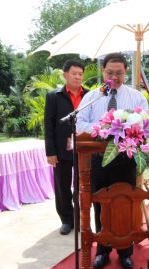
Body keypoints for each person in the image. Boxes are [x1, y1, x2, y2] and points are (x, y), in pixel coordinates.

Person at [76, 53, 149, 269]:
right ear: (103, 72)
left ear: (125, 72)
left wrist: (126, 129)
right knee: (100, 203)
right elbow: (80, 123)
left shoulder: (136, 97)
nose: (114, 77)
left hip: (126, 160)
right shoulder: (92, 97)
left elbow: (145, 123)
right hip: (98, 160)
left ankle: (125, 251)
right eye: (110, 72)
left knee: (124, 204)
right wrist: (104, 130)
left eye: (119, 73)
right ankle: (103, 250)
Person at [44, 60, 88, 235]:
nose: (78, 77)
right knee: (62, 186)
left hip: (84, 148)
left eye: (80, 74)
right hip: (61, 150)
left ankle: (81, 219)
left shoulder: (90, 95)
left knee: (82, 186)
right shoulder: (54, 96)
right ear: (65, 75)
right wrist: (50, 152)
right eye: (74, 73)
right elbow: (48, 125)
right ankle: (66, 220)